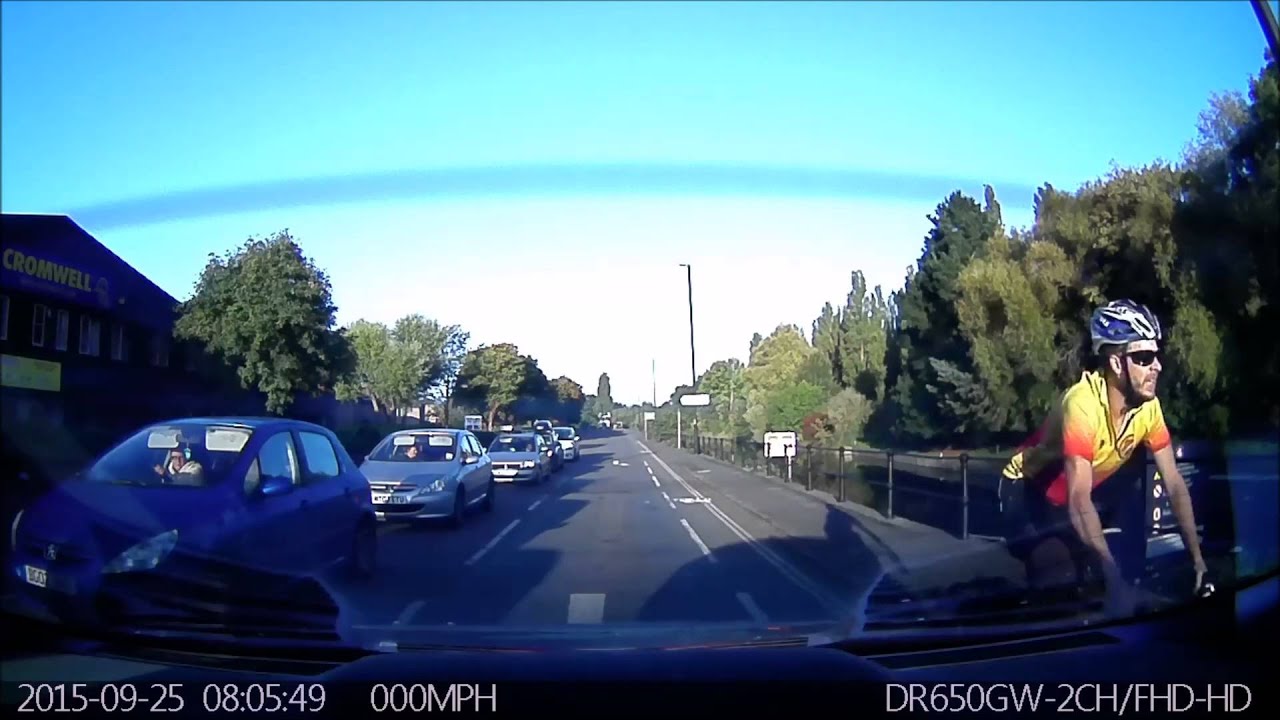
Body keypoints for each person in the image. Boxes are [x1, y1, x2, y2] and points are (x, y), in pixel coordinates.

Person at [999, 299, 1208, 616]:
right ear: (1115, 363)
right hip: (1028, 490)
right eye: (1144, 357)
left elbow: (1175, 485)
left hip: (1067, 496)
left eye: (1156, 356)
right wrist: (1117, 584)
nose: (1157, 366)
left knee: (1098, 578)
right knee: (1059, 579)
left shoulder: (1148, 408)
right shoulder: (1082, 406)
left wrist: (1198, 562)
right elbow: (1079, 500)